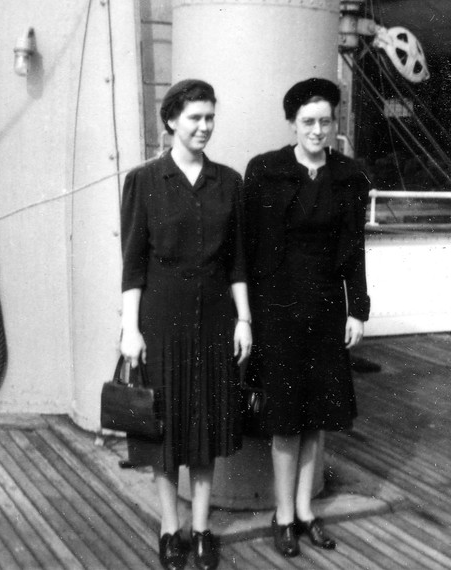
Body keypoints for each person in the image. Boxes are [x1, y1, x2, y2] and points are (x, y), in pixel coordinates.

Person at [119, 79, 252, 570]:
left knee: (205, 427)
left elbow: (238, 261)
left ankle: (201, 529)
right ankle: (169, 527)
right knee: (164, 429)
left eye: (210, 117)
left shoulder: (229, 183)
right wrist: (129, 329)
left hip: (216, 319)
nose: (204, 126)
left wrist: (245, 319)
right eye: (195, 117)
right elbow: (132, 264)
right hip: (161, 321)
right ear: (171, 120)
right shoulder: (144, 181)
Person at [243, 77, 370, 558]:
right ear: (292, 124)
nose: (318, 130)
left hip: (326, 311)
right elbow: (250, 248)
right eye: (308, 122)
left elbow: (355, 250)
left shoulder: (349, 176)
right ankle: (282, 517)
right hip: (277, 312)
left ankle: (305, 511)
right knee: (284, 419)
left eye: (326, 121)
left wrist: (357, 309)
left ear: (335, 123)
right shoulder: (266, 172)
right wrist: (248, 316)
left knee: (317, 417)